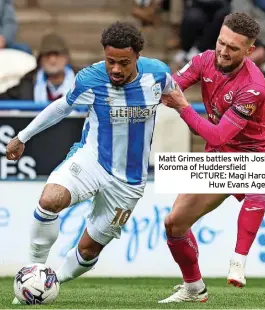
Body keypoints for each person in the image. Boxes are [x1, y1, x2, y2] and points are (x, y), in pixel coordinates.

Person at [6, 21, 174, 304]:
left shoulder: (157, 74)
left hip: (129, 181)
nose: (116, 69)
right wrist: (23, 136)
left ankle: (48, 283)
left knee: (88, 250)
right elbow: (61, 106)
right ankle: (32, 273)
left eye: (124, 63)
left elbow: (176, 96)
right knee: (49, 200)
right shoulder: (90, 78)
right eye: (110, 61)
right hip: (92, 160)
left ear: (137, 57)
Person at [158, 12, 265, 303]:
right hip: (221, 154)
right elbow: (171, 87)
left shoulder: (254, 86)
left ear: (249, 51)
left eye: (233, 48)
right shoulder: (204, 60)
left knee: (256, 184)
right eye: (221, 43)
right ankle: (193, 288)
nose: (224, 51)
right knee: (174, 224)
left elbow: (216, 135)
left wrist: (183, 107)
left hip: (256, 153)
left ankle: (239, 260)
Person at [0, 33, 75, 103]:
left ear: (66, 58)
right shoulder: (29, 81)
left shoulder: (84, 80)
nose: (52, 60)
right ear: (40, 60)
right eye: (47, 55)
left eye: (57, 55)